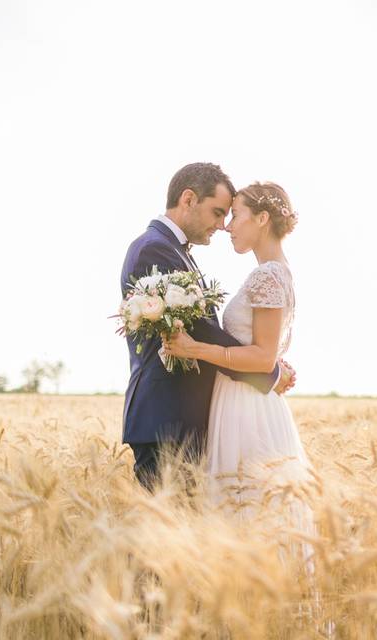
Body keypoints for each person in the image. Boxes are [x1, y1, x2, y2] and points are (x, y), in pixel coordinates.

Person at [120, 164, 296, 490]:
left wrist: (264, 358)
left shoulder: (173, 250)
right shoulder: (154, 248)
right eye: (217, 213)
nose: (222, 225)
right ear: (188, 199)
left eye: (229, 215)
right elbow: (198, 329)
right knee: (166, 533)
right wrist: (267, 369)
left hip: (187, 419)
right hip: (167, 418)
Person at [162, 181, 315, 555]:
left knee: (245, 509)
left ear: (262, 219)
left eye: (236, 216)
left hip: (246, 405)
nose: (228, 225)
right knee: (254, 512)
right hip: (248, 399)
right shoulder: (277, 272)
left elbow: (262, 358)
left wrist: (195, 347)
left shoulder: (268, 275)